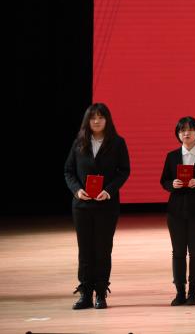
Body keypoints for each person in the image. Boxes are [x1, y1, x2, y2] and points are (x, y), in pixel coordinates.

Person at [64, 103, 131, 310]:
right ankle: (85, 293)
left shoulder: (117, 143)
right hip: (82, 205)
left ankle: (101, 293)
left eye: (101, 117)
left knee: (103, 249)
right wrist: (77, 190)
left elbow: (124, 171)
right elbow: (68, 171)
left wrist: (109, 190)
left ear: (107, 120)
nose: (97, 121)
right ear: (88, 120)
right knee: (85, 250)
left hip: (106, 205)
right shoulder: (79, 142)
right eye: (93, 117)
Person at [159, 116, 195, 306]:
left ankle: (193, 292)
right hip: (175, 210)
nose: (186, 133)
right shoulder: (172, 156)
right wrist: (172, 184)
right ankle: (179, 292)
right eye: (182, 130)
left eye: (190, 130)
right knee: (178, 252)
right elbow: (164, 181)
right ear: (178, 134)